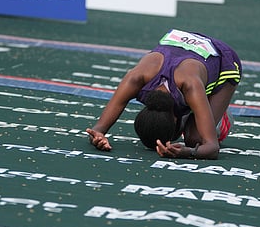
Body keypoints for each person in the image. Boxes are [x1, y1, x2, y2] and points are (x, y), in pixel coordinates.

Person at [86, 29, 242, 159]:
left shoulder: (191, 85)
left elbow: (212, 148)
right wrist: (97, 137)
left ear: (175, 120)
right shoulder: (135, 78)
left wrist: (187, 152)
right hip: (184, 50)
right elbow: (98, 128)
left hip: (223, 61)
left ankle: (219, 114)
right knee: (195, 126)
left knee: (194, 139)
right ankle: (199, 111)